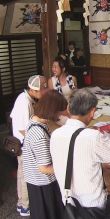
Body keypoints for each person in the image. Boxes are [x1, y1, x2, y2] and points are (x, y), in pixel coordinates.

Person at [50, 88, 110, 217]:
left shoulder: (55, 134)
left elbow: (72, 157)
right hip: (91, 206)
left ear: (68, 109)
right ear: (92, 112)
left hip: (68, 201)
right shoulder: (93, 137)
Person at [22, 90, 67, 219]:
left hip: (35, 181)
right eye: (59, 112)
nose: (59, 116)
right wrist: (68, 167)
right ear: (52, 110)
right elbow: (44, 168)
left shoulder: (34, 121)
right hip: (43, 184)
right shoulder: (39, 134)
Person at [10, 75, 47, 216]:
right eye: (44, 88)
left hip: (24, 143)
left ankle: (22, 203)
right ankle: (25, 205)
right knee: (25, 176)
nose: (45, 91)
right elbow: (23, 128)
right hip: (24, 145)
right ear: (36, 90)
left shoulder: (26, 98)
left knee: (22, 174)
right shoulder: (24, 102)